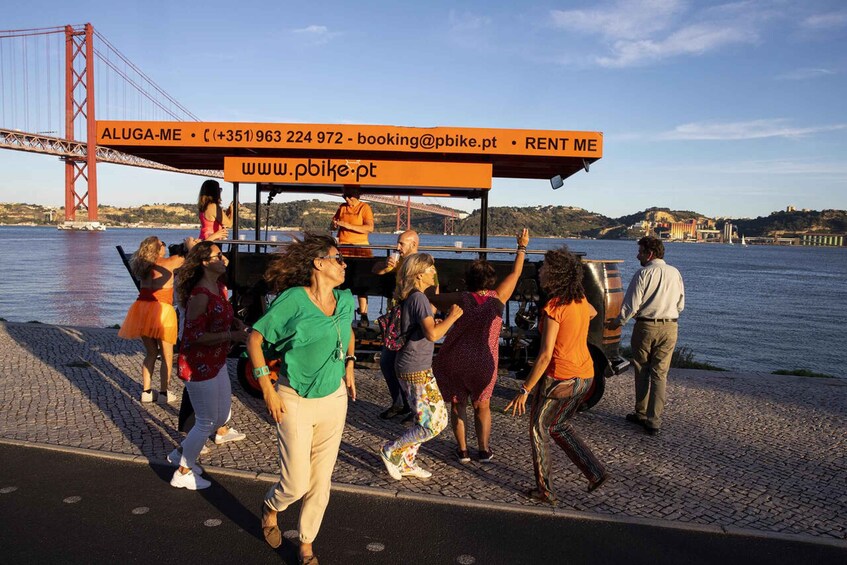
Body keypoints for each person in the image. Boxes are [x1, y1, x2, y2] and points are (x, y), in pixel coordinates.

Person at [246, 233, 356, 564]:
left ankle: (307, 544)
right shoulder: (294, 300)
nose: (343, 264)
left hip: (334, 399)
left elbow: (348, 330)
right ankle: (271, 506)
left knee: (321, 481)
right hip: (293, 399)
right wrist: (266, 388)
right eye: (338, 258)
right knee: (295, 483)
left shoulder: (346, 299)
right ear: (319, 263)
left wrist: (349, 363)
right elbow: (255, 338)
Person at [505, 247, 608, 503]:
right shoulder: (580, 300)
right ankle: (595, 472)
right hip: (585, 376)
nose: (540, 271)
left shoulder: (554, 307)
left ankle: (546, 491)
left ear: (556, 274)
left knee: (539, 429)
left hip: (559, 379)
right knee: (558, 425)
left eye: (545, 267)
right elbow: (593, 313)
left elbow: (544, 355)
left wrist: (525, 389)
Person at [431, 229, 529, 463]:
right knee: (482, 405)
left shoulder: (462, 298)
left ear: (468, 280)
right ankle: (484, 449)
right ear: (491, 280)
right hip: (484, 362)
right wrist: (522, 247)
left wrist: (430, 274)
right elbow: (516, 273)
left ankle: (463, 450)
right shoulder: (497, 300)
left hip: (456, 359)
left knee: (458, 405)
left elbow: (432, 298)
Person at [170, 242, 249, 490]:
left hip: (217, 360)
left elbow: (220, 313)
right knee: (205, 420)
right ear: (205, 262)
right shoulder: (199, 295)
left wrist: (234, 321)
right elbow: (193, 337)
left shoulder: (219, 286)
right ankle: (183, 472)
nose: (224, 259)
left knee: (220, 416)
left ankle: (181, 452)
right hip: (198, 364)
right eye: (218, 255)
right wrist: (231, 337)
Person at [378, 253, 463, 480]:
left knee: (422, 419)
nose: (434, 273)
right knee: (435, 423)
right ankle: (391, 450)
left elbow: (422, 329)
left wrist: (434, 322)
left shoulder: (414, 297)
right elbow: (433, 334)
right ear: (419, 274)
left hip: (413, 364)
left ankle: (407, 462)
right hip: (415, 367)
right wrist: (452, 317)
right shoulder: (419, 299)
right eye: (431, 269)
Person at [607, 236, 685, 436]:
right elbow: (680, 304)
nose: (637, 255)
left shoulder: (643, 274)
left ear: (649, 254)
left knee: (642, 370)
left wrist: (616, 323)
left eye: (640, 251)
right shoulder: (675, 273)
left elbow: (631, 306)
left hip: (646, 327)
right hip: (670, 327)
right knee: (660, 374)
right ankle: (654, 420)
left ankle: (640, 413)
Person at [119, 235, 195, 403]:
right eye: (162, 244)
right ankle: (163, 393)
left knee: (151, 353)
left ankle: (146, 392)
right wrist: (193, 243)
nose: (164, 246)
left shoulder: (143, 267)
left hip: (142, 309)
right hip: (162, 310)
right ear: (157, 249)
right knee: (167, 355)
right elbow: (194, 253)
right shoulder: (169, 262)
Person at [371, 229, 420, 420]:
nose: (397, 247)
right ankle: (399, 403)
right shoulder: (397, 261)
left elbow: (433, 289)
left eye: (401, 243)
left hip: (412, 318)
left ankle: (413, 407)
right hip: (395, 320)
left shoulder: (423, 263)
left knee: (407, 365)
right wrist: (386, 266)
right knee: (386, 362)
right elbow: (375, 270)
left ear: (413, 244)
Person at [331, 185, 373, 327]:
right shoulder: (342, 207)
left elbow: (369, 228)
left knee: (362, 286)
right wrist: (335, 225)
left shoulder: (364, 208)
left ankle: (364, 316)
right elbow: (332, 226)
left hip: (360, 250)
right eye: (345, 197)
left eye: (349, 197)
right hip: (343, 249)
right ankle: (341, 314)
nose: (347, 199)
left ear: (356, 196)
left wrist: (347, 225)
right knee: (342, 283)